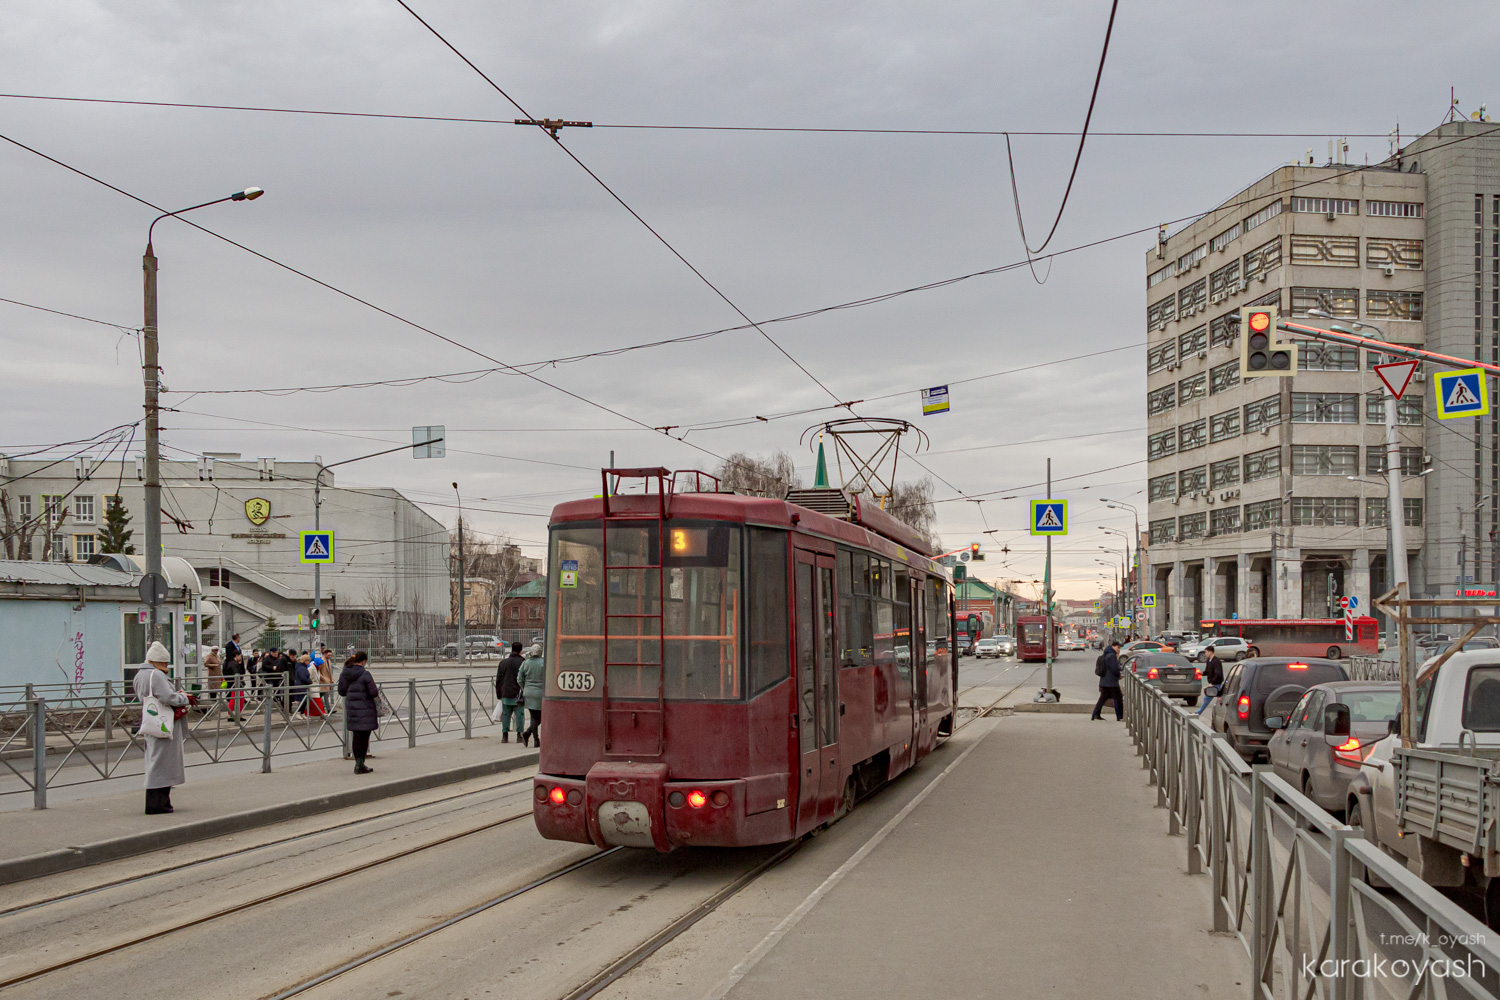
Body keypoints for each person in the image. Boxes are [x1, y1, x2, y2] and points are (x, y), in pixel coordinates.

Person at [134, 640, 190, 814]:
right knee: (163, 763)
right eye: (165, 663)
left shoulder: (139, 675)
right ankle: (158, 803)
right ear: (159, 661)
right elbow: (168, 697)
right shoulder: (156, 675)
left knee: (155, 761)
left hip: (151, 720)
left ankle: (160, 802)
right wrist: (183, 697)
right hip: (163, 722)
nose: (166, 667)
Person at [338, 651, 380, 774]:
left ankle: (358, 764)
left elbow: (341, 691)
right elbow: (374, 692)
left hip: (352, 709)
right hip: (366, 709)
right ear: (363, 661)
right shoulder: (365, 674)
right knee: (364, 737)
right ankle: (360, 764)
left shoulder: (344, 674)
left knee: (356, 737)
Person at [495, 641, 525, 742]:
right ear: (521, 651)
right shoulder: (523, 662)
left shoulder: (503, 663)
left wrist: (499, 694)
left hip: (505, 693)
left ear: (512, 650)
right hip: (518, 693)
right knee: (520, 714)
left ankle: (505, 735)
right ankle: (519, 735)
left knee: (506, 714)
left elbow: (498, 680)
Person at [517, 643, 545, 748]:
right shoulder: (544, 663)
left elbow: (519, 679)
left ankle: (533, 737)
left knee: (533, 716)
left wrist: (524, 688)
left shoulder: (526, 663)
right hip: (542, 692)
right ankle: (531, 736)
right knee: (541, 716)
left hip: (528, 692)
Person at [1091, 640, 1124, 721]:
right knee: (1118, 698)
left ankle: (1095, 714)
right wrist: (1119, 675)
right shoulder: (1112, 656)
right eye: (1118, 647)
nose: (1119, 649)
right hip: (1112, 682)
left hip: (1104, 681)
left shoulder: (1106, 654)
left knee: (1102, 698)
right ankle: (1120, 716)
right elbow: (1114, 668)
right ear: (1113, 646)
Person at [1199, 646, 1224, 714]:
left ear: (1210, 652)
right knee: (1219, 699)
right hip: (1213, 683)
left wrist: (1212, 683)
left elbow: (1218, 673)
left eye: (1206, 652)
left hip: (1216, 683)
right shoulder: (1209, 661)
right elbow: (1208, 671)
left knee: (1207, 699)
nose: (1205, 654)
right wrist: (1202, 673)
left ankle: (1198, 713)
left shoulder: (1216, 661)